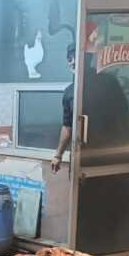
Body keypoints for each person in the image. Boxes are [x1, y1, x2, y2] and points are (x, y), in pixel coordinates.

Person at [51, 44, 76, 174]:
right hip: (80, 156)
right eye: (70, 59)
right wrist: (58, 155)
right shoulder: (69, 92)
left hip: (106, 155)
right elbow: (67, 126)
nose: (73, 62)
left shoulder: (107, 82)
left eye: (77, 57)